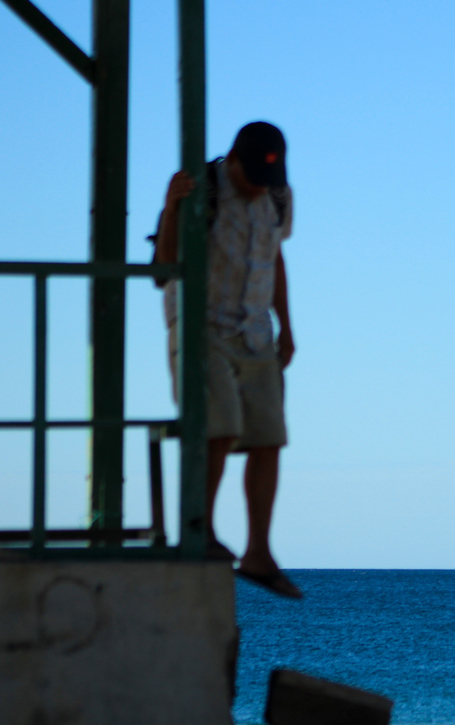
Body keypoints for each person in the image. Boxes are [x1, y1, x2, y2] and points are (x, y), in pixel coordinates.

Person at [154, 121, 301, 599]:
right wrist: (173, 207)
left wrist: (287, 327)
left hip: (256, 333)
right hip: (202, 326)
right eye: (252, 173)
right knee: (220, 427)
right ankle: (203, 530)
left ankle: (258, 551)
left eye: (268, 176)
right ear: (233, 158)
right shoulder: (201, 188)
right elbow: (163, 267)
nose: (259, 184)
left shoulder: (278, 195)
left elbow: (275, 258)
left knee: (268, 438)